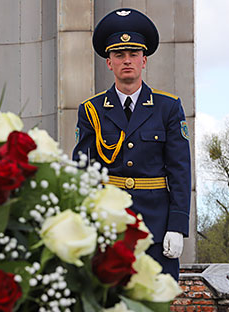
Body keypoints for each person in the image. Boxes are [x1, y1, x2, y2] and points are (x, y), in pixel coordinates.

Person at [72, 8, 191, 280]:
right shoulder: (91, 110)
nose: (127, 61)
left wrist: (177, 225)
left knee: (156, 301)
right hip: (108, 224)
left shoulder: (168, 108)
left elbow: (180, 171)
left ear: (144, 60)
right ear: (108, 63)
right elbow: (82, 170)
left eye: (133, 54)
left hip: (156, 226)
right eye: (119, 55)